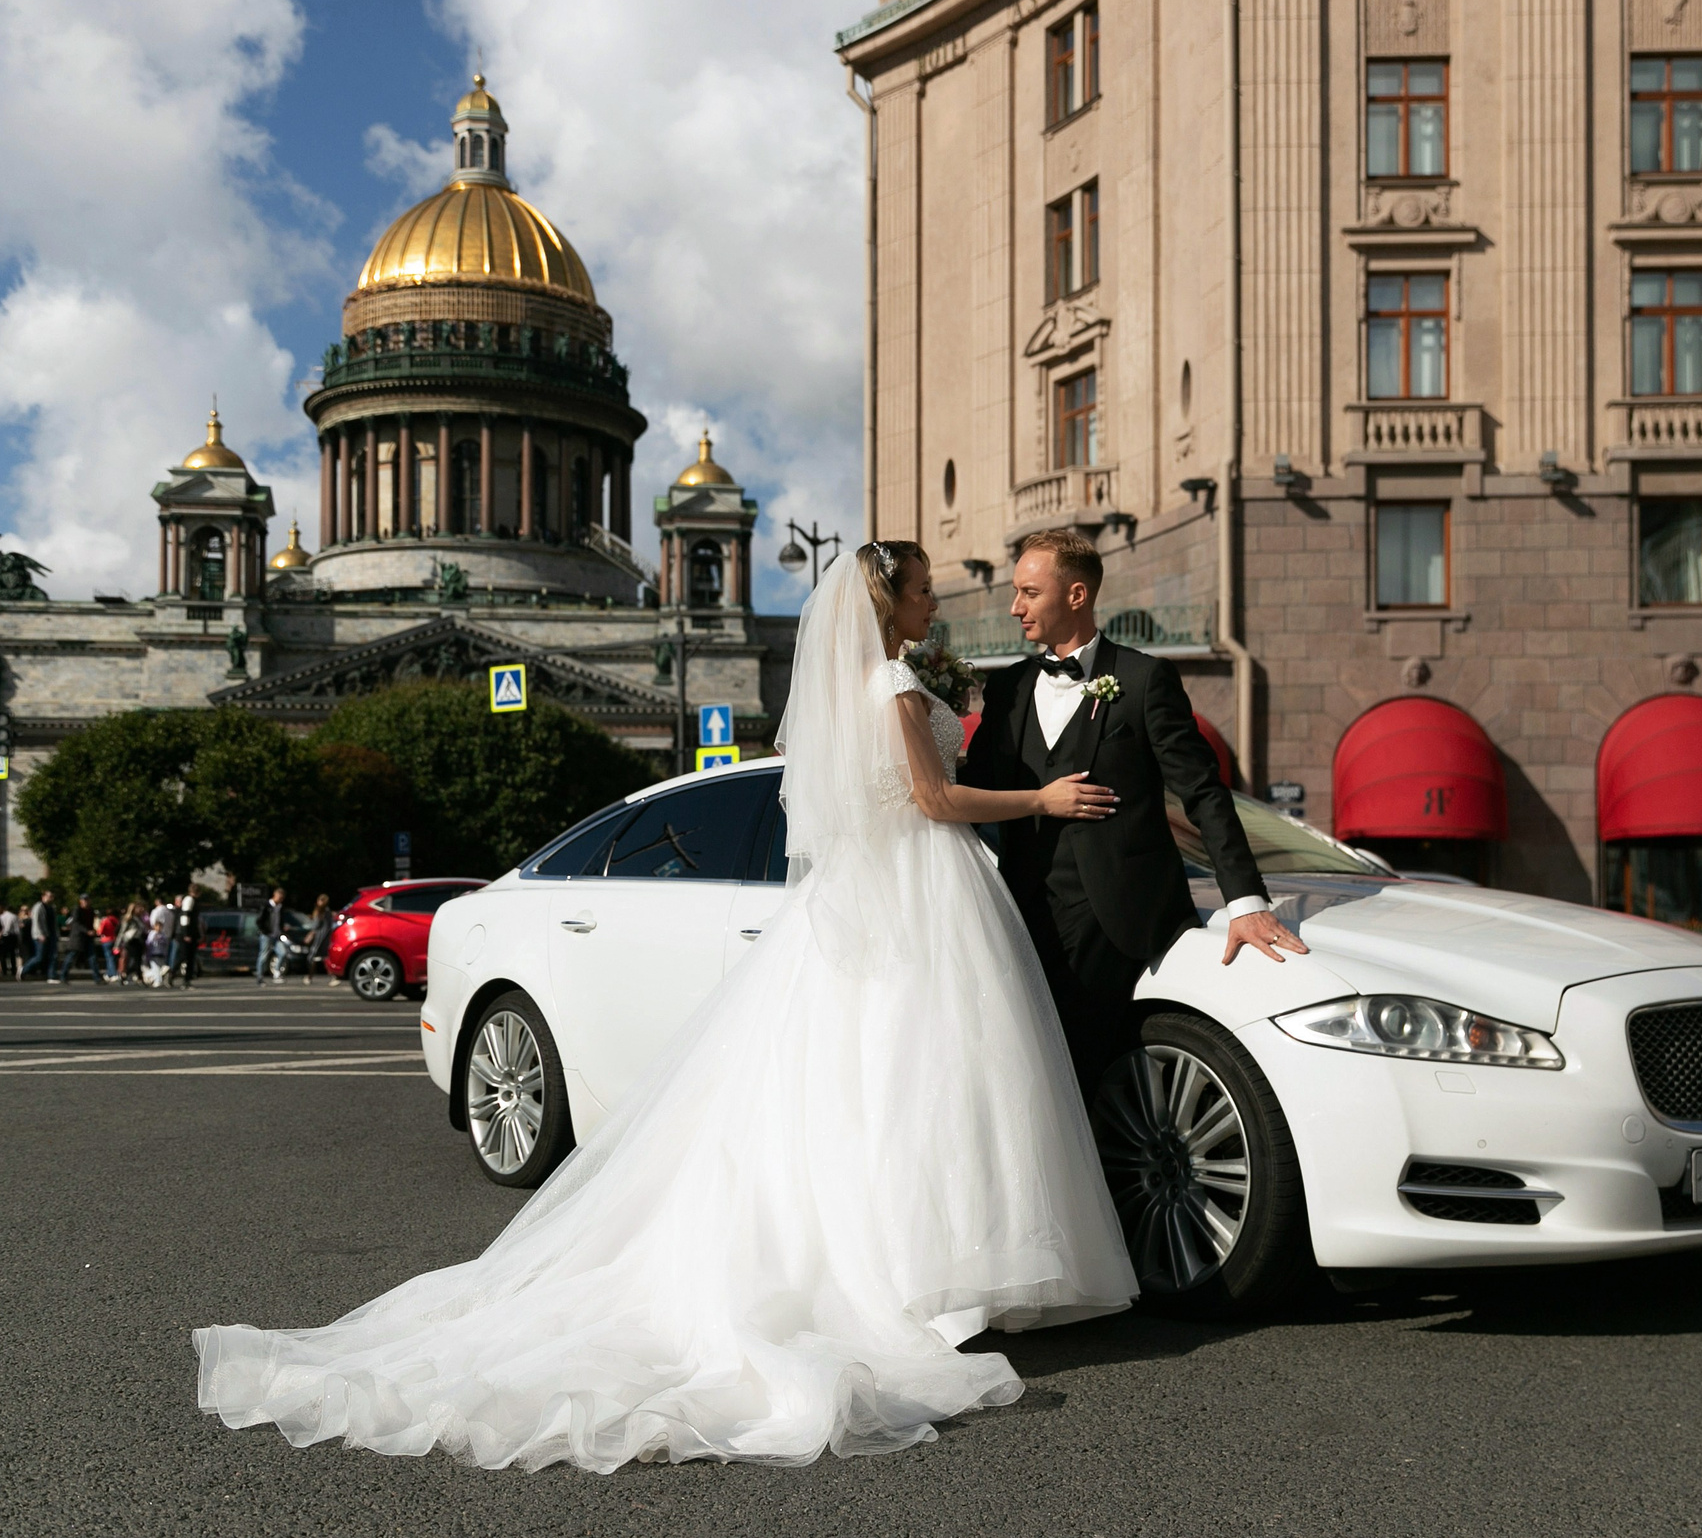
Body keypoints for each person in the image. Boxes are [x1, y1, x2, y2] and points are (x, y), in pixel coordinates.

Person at [195, 542, 1138, 1472]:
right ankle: (923, 1282)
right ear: (886, 605)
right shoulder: (888, 686)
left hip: (877, 904)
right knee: (905, 1087)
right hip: (911, 899)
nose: (938, 606)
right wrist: (1043, 798)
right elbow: (930, 798)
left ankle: (927, 1279)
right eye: (928, 592)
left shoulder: (858, 695)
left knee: (878, 1093)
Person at [958, 529, 1304, 1089]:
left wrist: (1245, 902)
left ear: (1076, 596)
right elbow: (970, 795)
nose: (1014, 606)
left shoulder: (1144, 680)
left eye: (1028, 592)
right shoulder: (1009, 689)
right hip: (1020, 919)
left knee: (1090, 1076)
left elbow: (1203, 792)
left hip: (1120, 924)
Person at [54, 895, 93, 984]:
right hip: (78, 937)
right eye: (84, 900)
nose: (86, 902)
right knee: (71, 956)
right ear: (80, 901)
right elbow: (76, 923)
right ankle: (63, 975)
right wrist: (87, 931)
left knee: (92, 957)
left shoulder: (90, 910)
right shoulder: (77, 910)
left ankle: (97, 977)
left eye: (87, 900)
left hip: (86, 937)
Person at [256, 888, 290, 983]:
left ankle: (277, 973)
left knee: (282, 953)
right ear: (275, 895)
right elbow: (259, 920)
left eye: (282, 898)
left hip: (276, 935)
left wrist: (282, 929)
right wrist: (264, 930)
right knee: (263, 955)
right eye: (279, 897)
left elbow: (280, 920)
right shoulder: (267, 906)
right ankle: (260, 976)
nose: (280, 900)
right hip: (267, 935)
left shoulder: (280, 907)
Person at [24, 892, 59, 981]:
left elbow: (54, 923)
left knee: (53, 956)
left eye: (52, 896)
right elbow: (36, 921)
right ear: (43, 897)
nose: (50, 898)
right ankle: (24, 969)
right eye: (49, 896)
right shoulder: (38, 907)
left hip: (51, 934)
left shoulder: (52, 907)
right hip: (41, 935)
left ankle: (51, 975)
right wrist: (40, 934)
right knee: (40, 957)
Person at [301, 894, 333, 983]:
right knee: (325, 958)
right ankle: (333, 976)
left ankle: (309, 977)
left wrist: (310, 934)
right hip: (326, 937)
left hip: (319, 936)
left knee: (312, 957)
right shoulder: (328, 911)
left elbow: (316, 925)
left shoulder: (320, 911)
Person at [175, 893, 203, 988]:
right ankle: (172, 973)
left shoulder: (191, 903)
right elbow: (185, 918)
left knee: (189, 957)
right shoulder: (188, 903)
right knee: (185, 956)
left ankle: (186, 979)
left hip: (189, 933)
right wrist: (186, 933)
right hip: (186, 934)